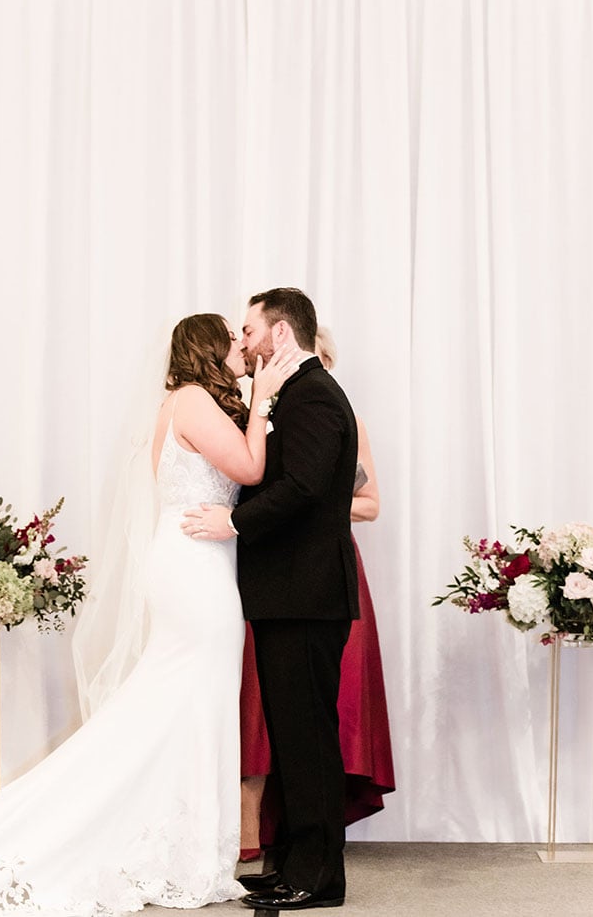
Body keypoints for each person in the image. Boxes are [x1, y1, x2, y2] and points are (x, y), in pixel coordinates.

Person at [0, 313, 297, 915]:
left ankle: (188, 847)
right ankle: (168, 844)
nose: (244, 345)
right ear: (209, 348)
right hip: (194, 569)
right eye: (233, 338)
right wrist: (262, 399)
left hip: (199, 563)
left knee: (190, 703)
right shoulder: (190, 403)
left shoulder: (189, 403)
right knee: (187, 700)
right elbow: (250, 470)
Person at [182, 289, 358, 912]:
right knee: (295, 735)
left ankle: (316, 877)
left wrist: (234, 522)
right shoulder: (298, 391)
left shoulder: (311, 395)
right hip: (293, 593)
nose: (246, 340)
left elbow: (306, 489)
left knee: (308, 736)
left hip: (305, 594)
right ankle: (300, 865)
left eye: (251, 329)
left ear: (281, 333)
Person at [238, 326, 395, 861]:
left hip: (312, 577)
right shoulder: (277, 412)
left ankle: (316, 866)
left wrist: (236, 521)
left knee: (313, 725)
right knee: (287, 722)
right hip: (283, 581)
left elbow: (328, 495)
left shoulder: (325, 406)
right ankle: (295, 853)